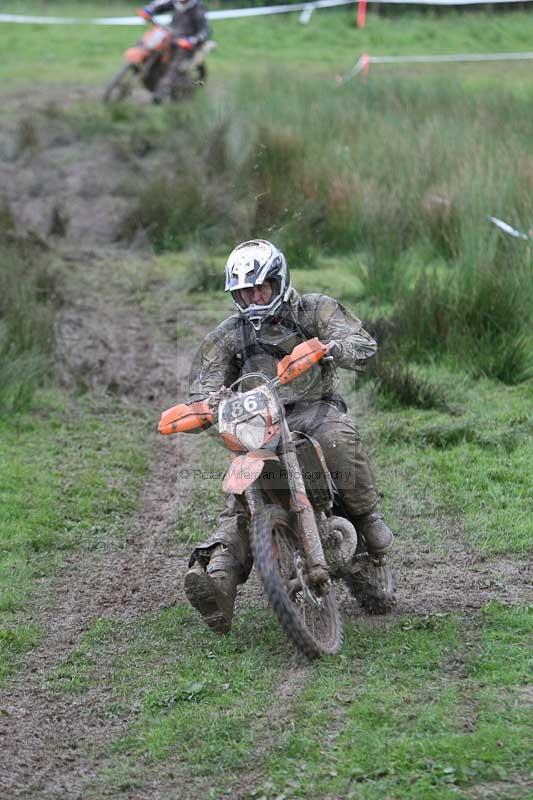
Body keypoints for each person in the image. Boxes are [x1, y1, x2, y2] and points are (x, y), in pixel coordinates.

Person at [184, 239, 395, 634]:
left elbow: (363, 342)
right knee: (239, 496)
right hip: (256, 421)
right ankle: (218, 585)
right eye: (244, 292)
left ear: (279, 281)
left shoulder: (314, 308)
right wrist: (205, 405)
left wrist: (332, 347)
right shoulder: (228, 334)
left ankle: (368, 522)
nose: (253, 297)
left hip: (314, 410)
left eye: (260, 288)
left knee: (336, 440)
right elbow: (204, 383)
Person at [138, 0, 211, 102]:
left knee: (175, 66)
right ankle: (139, 67)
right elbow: (160, 6)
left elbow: (205, 30)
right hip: (171, 36)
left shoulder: (197, 8)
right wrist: (149, 10)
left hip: (186, 43)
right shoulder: (175, 2)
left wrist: (192, 40)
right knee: (145, 43)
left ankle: (160, 93)